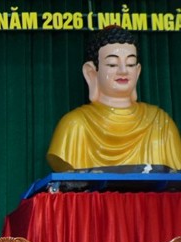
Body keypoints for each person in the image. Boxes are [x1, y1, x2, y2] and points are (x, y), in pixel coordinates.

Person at [47, 25, 181, 172]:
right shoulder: (74, 125)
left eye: (130, 64)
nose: (123, 71)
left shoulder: (160, 124)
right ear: (91, 72)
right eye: (112, 64)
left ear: (137, 71)